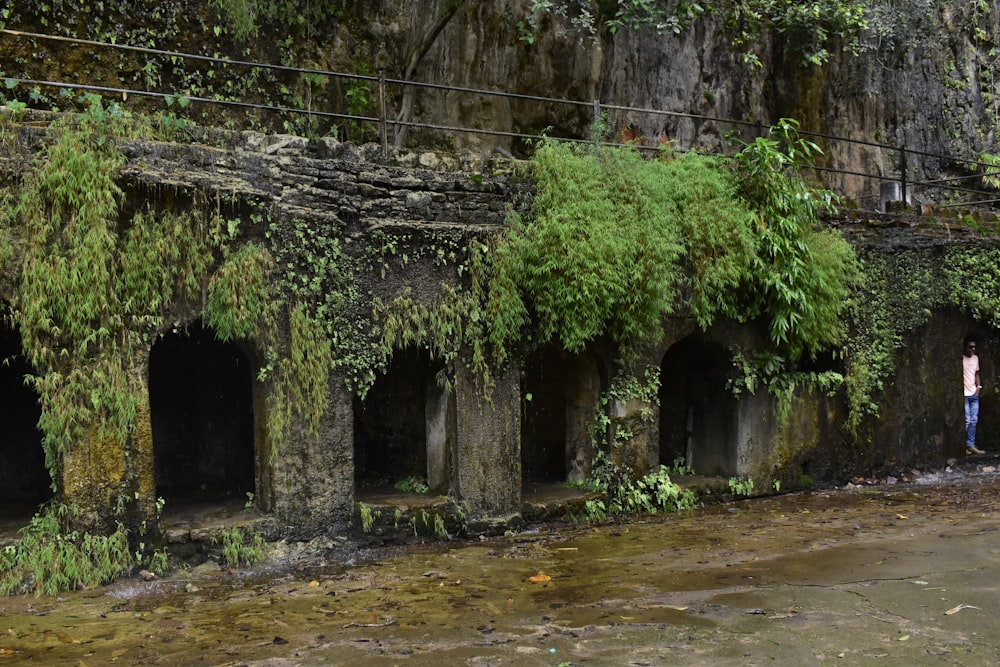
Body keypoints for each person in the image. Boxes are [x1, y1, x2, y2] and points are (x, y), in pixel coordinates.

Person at [964, 337, 985, 455]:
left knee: (973, 420)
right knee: (966, 420)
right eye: (970, 347)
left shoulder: (975, 358)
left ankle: (971, 445)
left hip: (973, 393)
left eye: (974, 347)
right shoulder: (961, 359)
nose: (972, 349)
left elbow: (976, 373)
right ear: (965, 347)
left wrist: (979, 387)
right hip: (964, 394)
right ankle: (964, 446)